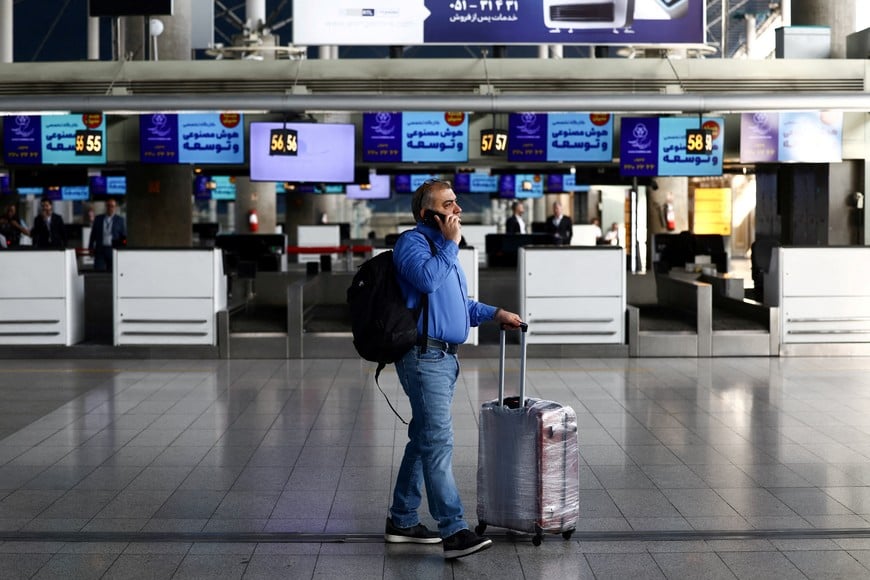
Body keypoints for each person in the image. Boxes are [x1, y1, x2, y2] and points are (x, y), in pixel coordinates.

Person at [386, 179, 523, 559]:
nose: (457, 210)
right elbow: (427, 281)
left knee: (424, 439)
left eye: (456, 203)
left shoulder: (445, 251)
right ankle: (453, 530)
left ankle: (401, 519)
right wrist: (450, 244)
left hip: (446, 358)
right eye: (448, 204)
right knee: (439, 442)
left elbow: (459, 303)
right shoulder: (412, 244)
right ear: (427, 213)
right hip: (423, 357)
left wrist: (494, 314)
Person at [88, 198, 127, 272]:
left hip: (113, 249)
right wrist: (90, 248)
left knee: (113, 272)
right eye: (108, 206)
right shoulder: (98, 219)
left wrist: (122, 249)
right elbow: (93, 235)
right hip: (100, 249)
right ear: (106, 207)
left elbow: (123, 236)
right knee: (98, 271)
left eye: (112, 206)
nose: (110, 208)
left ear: (115, 207)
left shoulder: (120, 220)